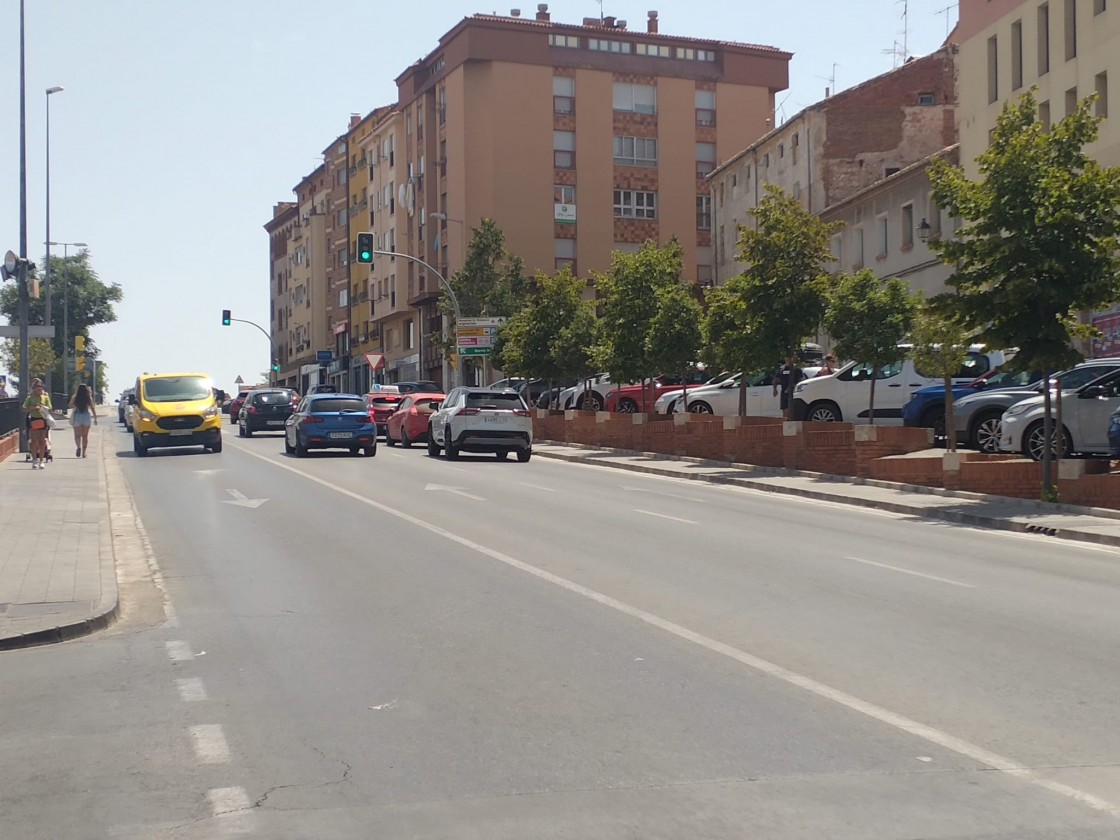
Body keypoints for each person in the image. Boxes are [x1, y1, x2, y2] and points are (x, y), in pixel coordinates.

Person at [21, 379, 52, 469]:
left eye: (41, 387)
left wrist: (43, 407)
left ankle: (41, 461)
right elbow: (23, 408)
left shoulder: (45, 397)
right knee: (34, 441)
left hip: (43, 419)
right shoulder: (30, 398)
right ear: (34, 389)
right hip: (34, 419)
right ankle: (34, 460)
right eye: (37, 388)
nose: (39, 390)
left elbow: (50, 408)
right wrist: (33, 408)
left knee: (42, 441)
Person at [68, 383, 98, 458]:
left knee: (77, 435)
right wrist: (95, 418)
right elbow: (92, 408)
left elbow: (70, 405)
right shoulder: (88, 397)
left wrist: (76, 405)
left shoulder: (75, 396)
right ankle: (84, 453)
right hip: (86, 416)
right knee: (85, 436)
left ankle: (78, 447)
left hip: (77, 416)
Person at [773, 355, 805, 420]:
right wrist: (774, 389)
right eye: (786, 357)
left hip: (794, 392)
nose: (788, 359)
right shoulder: (782, 369)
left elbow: (802, 381)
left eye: (790, 357)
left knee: (792, 410)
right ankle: (785, 423)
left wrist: (795, 386)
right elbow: (776, 379)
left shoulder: (796, 369)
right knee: (784, 409)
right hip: (784, 391)